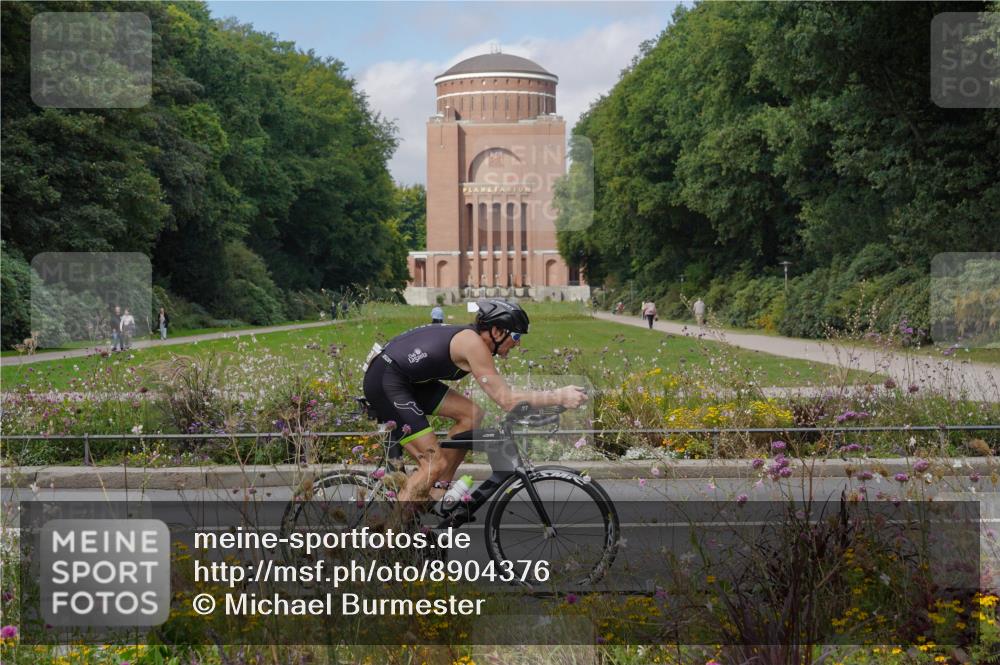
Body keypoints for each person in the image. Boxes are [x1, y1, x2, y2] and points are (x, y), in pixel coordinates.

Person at [363, 300, 588, 507]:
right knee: (433, 463)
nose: (518, 345)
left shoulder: (472, 339)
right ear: (497, 331)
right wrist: (559, 395)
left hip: (408, 380)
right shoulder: (473, 344)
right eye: (517, 336)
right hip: (386, 380)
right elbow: (506, 400)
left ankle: (436, 491)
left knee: (471, 415)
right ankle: (389, 544)